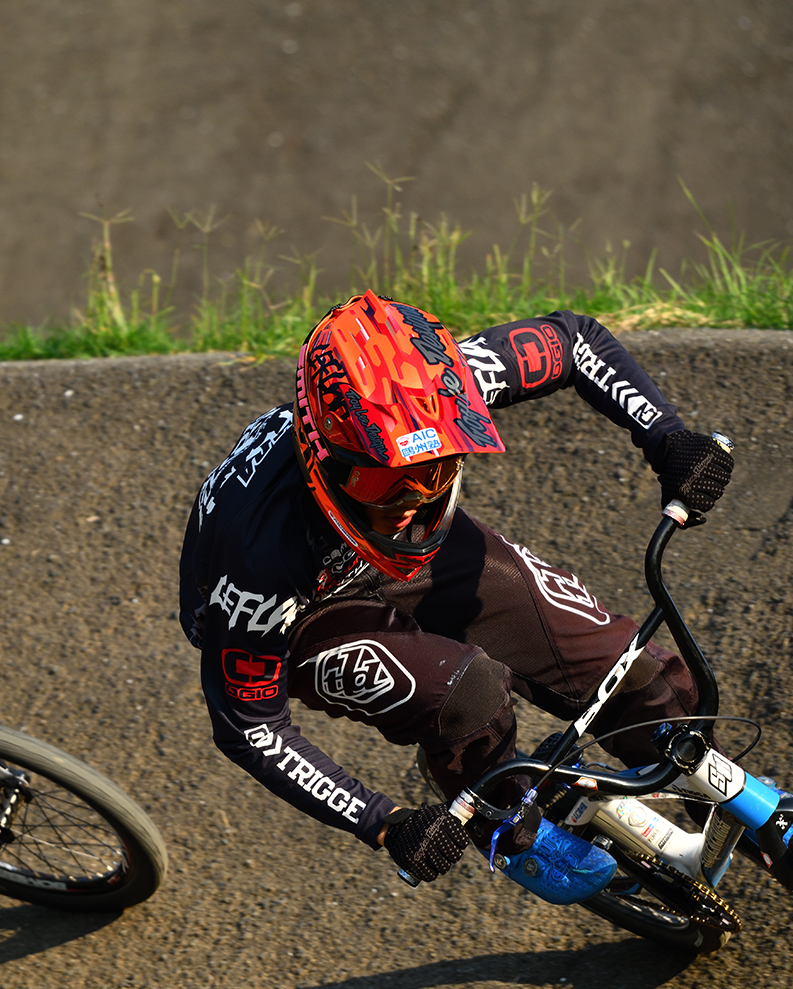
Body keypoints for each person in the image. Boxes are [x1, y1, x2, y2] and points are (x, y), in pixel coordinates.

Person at [177, 290, 733, 890]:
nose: (408, 504)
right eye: (380, 481)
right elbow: (247, 724)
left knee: (630, 671)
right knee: (470, 694)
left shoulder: (431, 394)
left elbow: (575, 343)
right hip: (302, 608)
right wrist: (386, 823)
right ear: (322, 458)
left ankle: (714, 790)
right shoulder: (255, 563)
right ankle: (515, 834)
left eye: (434, 472)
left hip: (393, 559)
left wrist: (669, 439)